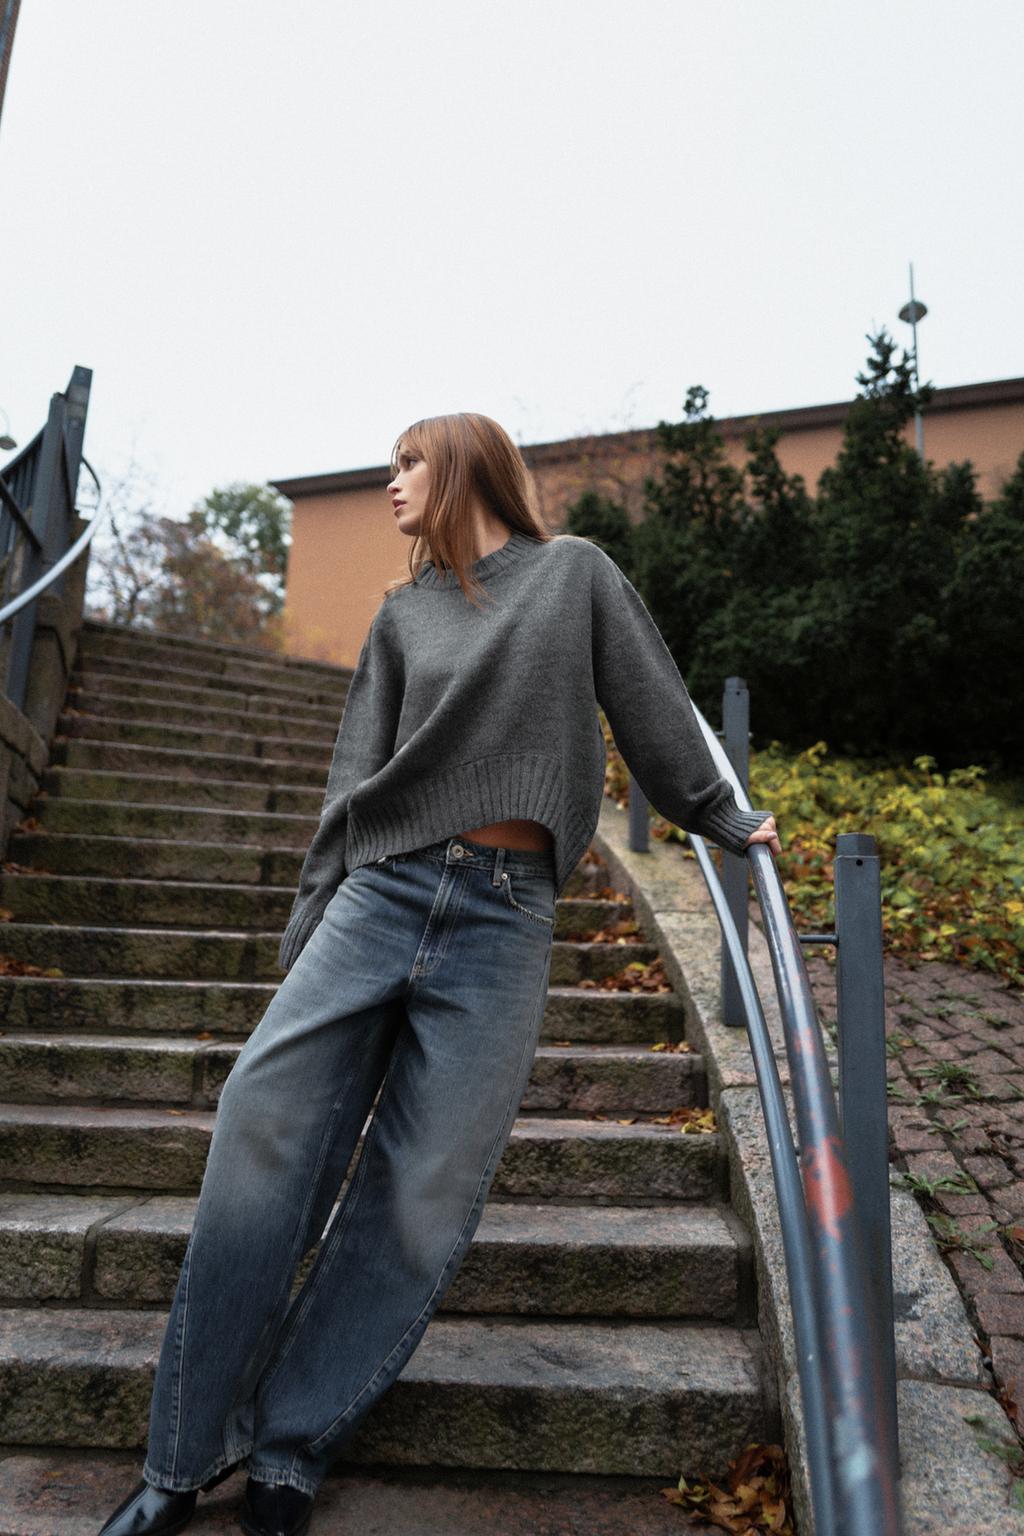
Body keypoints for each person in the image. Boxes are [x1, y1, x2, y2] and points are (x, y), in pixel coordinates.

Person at [97, 412, 781, 1536]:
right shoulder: (400, 615)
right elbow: (351, 779)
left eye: (410, 461)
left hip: (505, 919)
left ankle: (288, 1452)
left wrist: (720, 814)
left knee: (422, 1193)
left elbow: (653, 704)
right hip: (379, 896)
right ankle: (178, 1461)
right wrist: (310, 924)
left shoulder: (572, 575)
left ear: (467, 465)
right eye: (390, 465)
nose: (392, 481)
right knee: (261, 1125)